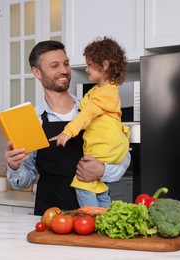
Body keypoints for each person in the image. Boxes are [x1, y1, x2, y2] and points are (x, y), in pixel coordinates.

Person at [5, 40, 131, 215]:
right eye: (54, 66)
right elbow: (24, 181)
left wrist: (102, 170)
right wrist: (15, 166)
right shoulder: (30, 120)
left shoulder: (94, 108)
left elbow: (124, 158)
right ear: (37, 72)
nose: (64, 70)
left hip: (94, 216)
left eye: (66, 64)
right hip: (50, 217)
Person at [49, 37, 130, 207]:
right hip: (50, 202)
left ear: (105, 65)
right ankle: (104, 214)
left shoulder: (104, 95)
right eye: (54, 66)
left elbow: (87, 114)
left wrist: (67, 132)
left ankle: (91, 214)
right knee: (100, 189)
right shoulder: (100, 90)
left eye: (89, 65)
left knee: (84, 184)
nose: (86, 69)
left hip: (103, 149)